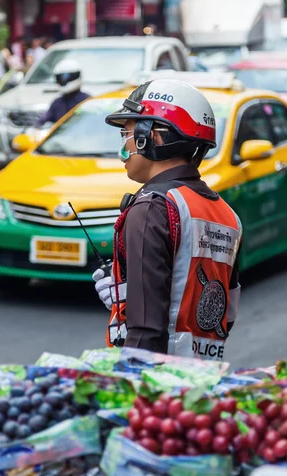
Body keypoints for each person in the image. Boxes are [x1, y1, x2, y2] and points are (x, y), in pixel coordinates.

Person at [93, 78, 242, 361]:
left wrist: (133, 391)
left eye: (126, 134)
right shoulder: (229, 216)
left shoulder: (151, 208)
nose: (123, 148)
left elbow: (147, 331)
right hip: (203, 380)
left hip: (161, 385)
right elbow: (225, 313)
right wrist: (130, 292)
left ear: (154, 136)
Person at [35, 59, 90, 127]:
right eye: (61, 77)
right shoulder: (57, 103)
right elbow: (41, 123)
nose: (64, 80)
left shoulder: (87, 101)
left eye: (67, 76)